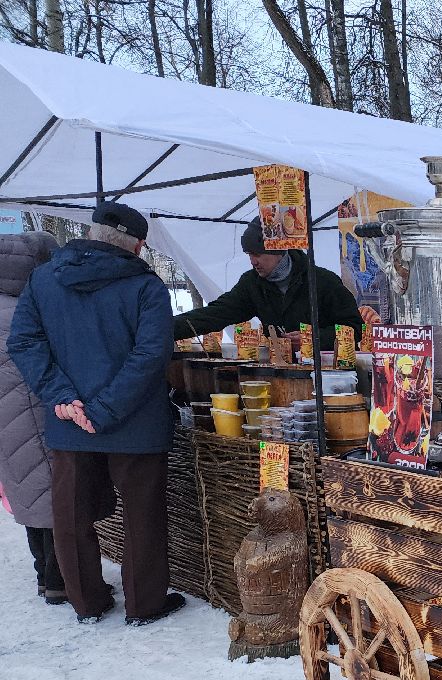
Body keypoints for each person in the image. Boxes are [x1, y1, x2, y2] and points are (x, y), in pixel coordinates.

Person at [6, 201, 185, 626]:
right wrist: (103, 410)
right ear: (137, 246)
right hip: (135, 424)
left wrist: (63, 398)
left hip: (69, 423)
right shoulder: (146, 286)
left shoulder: (44, 279)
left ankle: (85, 601)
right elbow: (151, 355)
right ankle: (144, 605)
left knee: (70, 515)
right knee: (142, 514)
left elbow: (24, 342)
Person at [172, 216, 366, 352]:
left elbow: (355, 328)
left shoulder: (323, 281)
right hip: (280, 373)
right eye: (249, 255)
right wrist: (164, 328)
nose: (253, 261)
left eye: (257, 254)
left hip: (327, 376)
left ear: (278, 251)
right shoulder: (252, 284)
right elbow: (215, 314)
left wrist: (314, 339)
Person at [0, 230, 68, 604]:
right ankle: (60, 580)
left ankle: (44, 573)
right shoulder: (33, 306)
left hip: (5, 418)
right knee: (55, 493)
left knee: (27, 491)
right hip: (39, 409)